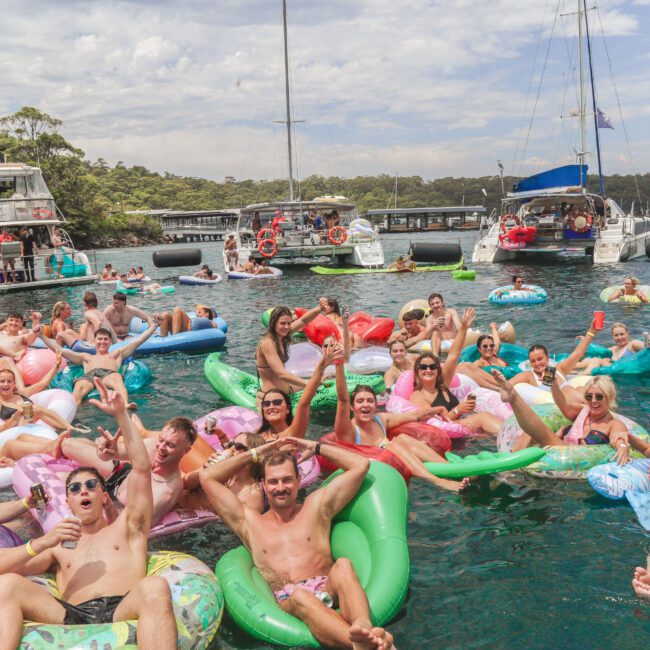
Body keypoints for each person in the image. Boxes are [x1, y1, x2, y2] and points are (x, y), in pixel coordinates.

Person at [0, 378, 178, 647]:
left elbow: (141, 467)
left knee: (155, 586)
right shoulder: (57, 544)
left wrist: (121, 415)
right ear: (68, 500)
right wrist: (41, 543)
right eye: (75, 488)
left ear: (103, 495)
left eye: (91, 485)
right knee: (8, 585)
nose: (84, 491)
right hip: (72, 615)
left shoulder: (128, 527)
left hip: (122, 607)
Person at [199, 437, 395, 649]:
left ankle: (363, 627)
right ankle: (361, 645)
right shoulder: (249, 522)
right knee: (301, 596)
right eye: (273, 482)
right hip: (289, 602)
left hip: (327, 588)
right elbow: (207, 477)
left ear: (299, 480)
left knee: (344, 565)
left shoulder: (316, 506)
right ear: (264, 484)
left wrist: (316, 446)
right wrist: (256, 453)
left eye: (287, 480)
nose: (280, 487)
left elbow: (361, 465)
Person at [60, 410, 195, 526]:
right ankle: (94, 443)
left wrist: (106, 507)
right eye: (161, 440)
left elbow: (134, 526)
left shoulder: (168, 489)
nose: (161, 448)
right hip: (119, 473)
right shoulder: (152, 446)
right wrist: (107, 449)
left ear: (186, 451)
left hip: (117, 506)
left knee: (64, 479)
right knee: (68, 444)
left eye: (170, 445)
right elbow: (110, 455)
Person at [491, 370, 637, 465]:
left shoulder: (613, 424)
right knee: (530, 432)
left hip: (575, 458)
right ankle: (509, 466)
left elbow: (619, 437)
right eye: (589, 396)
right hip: (556, 450)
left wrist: (622, 446)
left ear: (609, 398)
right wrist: (553, 385)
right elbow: (563, 404)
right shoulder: (582, 412)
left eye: (599, 396)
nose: (593, 400)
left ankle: (513, 397)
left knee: (543, 433)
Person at [409, 309, 503, 436]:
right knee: (483, 417)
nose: (428, 370)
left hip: (463, 425)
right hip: (447, 432)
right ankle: (512, 438)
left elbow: (453, 355)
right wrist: (458, 410)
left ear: (437, 370)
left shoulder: (442, 385)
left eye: (432, 367)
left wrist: (464, 327)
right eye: (423, 367)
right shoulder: (418, 396)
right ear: (417, 371)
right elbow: (433, 422)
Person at [37, 320, 159, 405]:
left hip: (109, 374)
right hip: (89, 376)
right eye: (99, 339)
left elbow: (139, 340)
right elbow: (59, 350)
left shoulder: (116, 354)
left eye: (105, 339)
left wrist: (154, 326)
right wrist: (42, 336)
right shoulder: (86, 357)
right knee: (79, 387)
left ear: (110, 342)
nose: (102, 342)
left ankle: (125, 405)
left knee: (117, 380)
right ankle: (73, 411)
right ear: (94, 342)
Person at [255, 299, 329, 399]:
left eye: (289, 323)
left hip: (287, 389)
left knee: (327, 384)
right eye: (282, 323)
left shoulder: (282, 335)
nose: (286, 327)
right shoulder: (267, 343)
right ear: (273, 323)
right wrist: (310, 383)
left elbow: (304, 320)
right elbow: (281, 373)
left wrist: (319, 308)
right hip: (272, 396)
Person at [509, 318, 597, 394]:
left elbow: (578, 353)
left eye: (540, 359)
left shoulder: (559, 369)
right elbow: (507, 385)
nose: (537, 363)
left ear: (547, 358)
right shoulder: (528, 376)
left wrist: (591, 331)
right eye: (533, 361)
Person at [576, 322, 645, 374]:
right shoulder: (612, 349)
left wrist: (604, 363)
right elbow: (598, 351)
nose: (619, 337)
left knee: (598, 360)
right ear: (612, 336)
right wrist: (585, 340)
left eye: (622, 334)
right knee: (591, 359)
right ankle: (571, 369)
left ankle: (583, 375)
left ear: (627, 334)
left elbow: (646, 347)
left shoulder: (633, 344)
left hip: (626, 376)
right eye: (616, 335)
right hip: (613, 376)